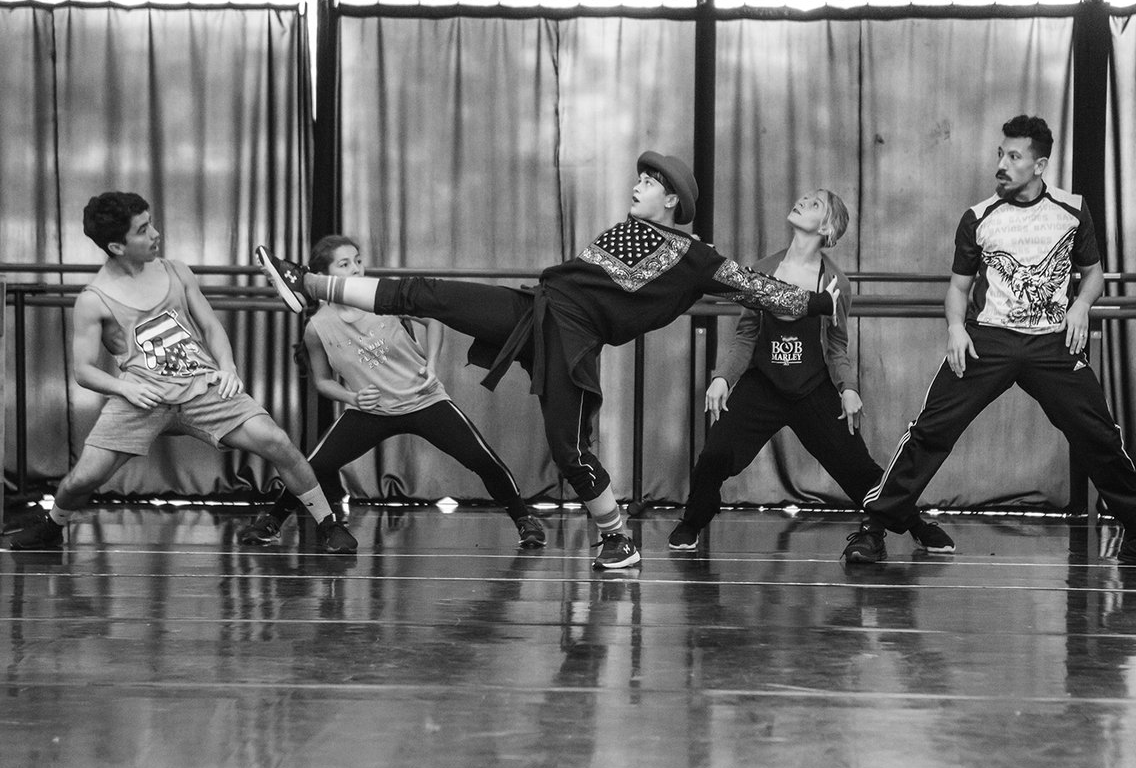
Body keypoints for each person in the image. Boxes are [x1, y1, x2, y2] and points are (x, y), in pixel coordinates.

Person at [254, 151, 839, 569]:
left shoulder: (696, 256)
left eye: (648, 181)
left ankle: (617, 539)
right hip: (537, 310)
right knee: (429, 293)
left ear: (672, 200)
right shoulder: (624, 228)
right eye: (638, 177)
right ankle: (309, 283)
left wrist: (819, 301)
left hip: (572, 341)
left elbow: (758, 288)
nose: (637, 184)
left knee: (568, 450)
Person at [845, 115, 1136, 567]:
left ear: (1039, 165)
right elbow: (958, 288)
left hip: (1052, 344)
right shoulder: (979, 217)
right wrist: (956, 328)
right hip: (988, 341)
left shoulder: (1072, 210)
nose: (1002, 164)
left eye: (1014, 156)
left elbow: (1093, 274)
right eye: (1000, 154)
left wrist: (1081, 305)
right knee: (931, 431)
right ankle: (873, 528)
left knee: (1098, 434)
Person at [4, 192, 356, 554]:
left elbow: (210, 325)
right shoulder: (94, 299)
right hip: (143, 397)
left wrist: (228, 367)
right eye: (143, 230)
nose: (155, 233)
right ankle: (52, 525)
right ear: (117, 246)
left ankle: (328, 524)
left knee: (278, 442)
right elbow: (83, 371)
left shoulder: (175, 270)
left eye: (151, 223)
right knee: (84, 478)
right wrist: (125, 390)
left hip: (202, 387)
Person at [667, 189, 955, 554]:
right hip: (764, 385)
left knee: (858, 469)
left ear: (827, 228)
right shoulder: (762, 270)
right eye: (804, 198)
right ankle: (692, 521)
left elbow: (836, 347)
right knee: (714, 455)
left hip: (812, 390)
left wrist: (848, 388)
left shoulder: (836, 284)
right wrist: (723, 377)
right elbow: (746, 336)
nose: (803, 201)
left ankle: (916, 524)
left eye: (815, 204)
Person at [237, 235, 545, 549]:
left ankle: (524, 520)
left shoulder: (380, 300)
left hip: (424, 400)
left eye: (358, 261)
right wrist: (352, 398)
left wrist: (432, 364)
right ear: (322, 277)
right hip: (371, 411)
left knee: (482, 459)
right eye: (344, 264)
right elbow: (322, 381)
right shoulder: (316, 328)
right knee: (313, 466)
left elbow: (433, 319)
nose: (356, 269)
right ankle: (272, 521)